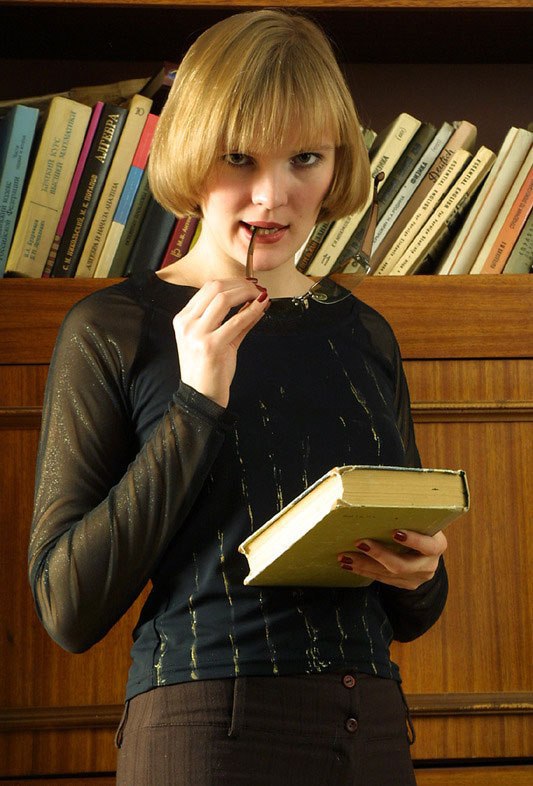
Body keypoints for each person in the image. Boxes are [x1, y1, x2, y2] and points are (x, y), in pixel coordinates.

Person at [29, 9, 448, 785]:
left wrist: (420, 573)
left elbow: (411, 612)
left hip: (373, 730)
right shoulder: (115, 327)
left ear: (336, 163)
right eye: (238, 158)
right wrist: (197, 402)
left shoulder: (363, 333)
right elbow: (67, 608)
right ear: (192, 156)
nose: (271, 195)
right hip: (203, 732)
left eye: (304, 158)